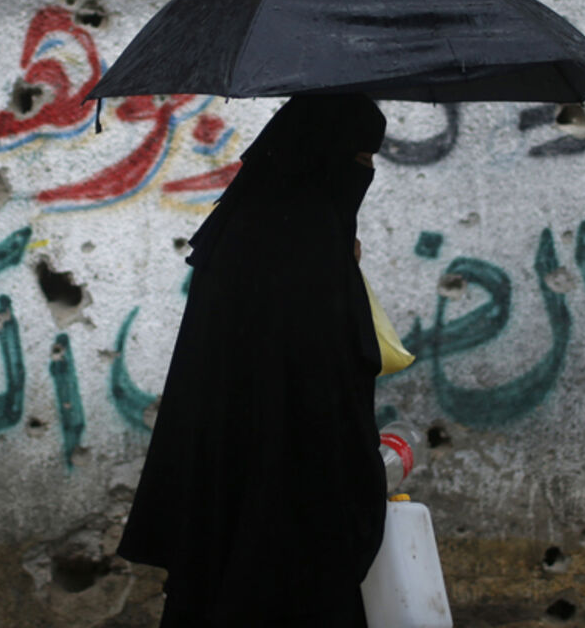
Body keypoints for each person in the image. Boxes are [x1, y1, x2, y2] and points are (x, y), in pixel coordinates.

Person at [116, 94, 389, 627]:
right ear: (322, 155)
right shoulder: (309, 242)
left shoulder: (243, 229)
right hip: (291, 506)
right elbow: (336, 378)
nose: (366, 173)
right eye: (360, 160)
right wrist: (342, 273)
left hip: (224, 490)